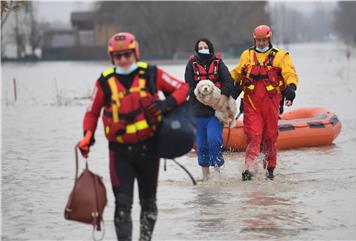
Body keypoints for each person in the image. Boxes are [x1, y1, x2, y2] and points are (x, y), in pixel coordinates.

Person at [77, 32, 189, 241]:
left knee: (148, 203)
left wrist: (167, 104)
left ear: (135, 53)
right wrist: (87, 136)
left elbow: (183, 88)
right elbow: (92, 112)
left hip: (149, 149)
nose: (123, 60)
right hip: (119, 153)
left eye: (127, 54)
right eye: (118, 56)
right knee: (122, 204)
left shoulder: (152, 73)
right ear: (112, 58)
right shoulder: (104, 82)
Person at [231, 25, 298, 181]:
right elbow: (236, 74)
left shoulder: (280, 56)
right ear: (255, 39)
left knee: (270, 136)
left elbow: (290, 73)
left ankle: (269, 169)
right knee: (253, 136)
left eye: (263, 40)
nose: (261, 43)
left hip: (271, 104)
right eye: (258, 40)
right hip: (251, 104)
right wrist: (226, 89)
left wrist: (291, 88)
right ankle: (248, 169)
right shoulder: (246, 55)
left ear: (269, 39)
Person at [185, 38, 234, 181]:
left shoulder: (218, 63)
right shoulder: (191, 64)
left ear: (210, 48)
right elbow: (189, 86)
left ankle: (218, 172)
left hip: (217, 112)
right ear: (196, 49)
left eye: (205, 47)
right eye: (200, 47)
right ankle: (206, 176)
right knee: (201, 144)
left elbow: (229, 82)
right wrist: (205, 101)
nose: (203, 49)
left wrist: (222, 100)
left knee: (213, 139)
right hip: (198, 111)